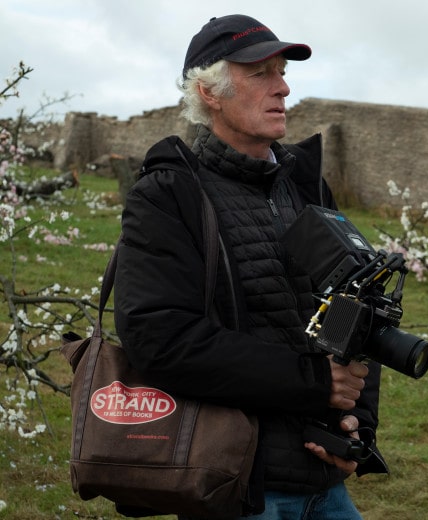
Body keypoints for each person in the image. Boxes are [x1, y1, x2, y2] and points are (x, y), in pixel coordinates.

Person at [114, 14, 387, 519]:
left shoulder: (305, 186)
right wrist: (314, 382)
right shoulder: (170, 195)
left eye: (282, 72)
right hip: (236, 485)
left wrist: (356, 428)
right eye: (261, 74)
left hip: (325, 485)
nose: (283, 88)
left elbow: (361, 312)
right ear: (209, 92)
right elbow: (160, 338)